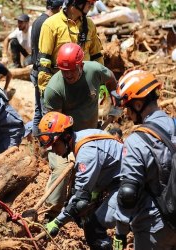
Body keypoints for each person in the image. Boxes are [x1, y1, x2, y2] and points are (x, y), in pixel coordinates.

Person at [43, 42, 120, 214]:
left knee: (102, 165)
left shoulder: (94, 70)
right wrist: (69, 149)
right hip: (63, 138)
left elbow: (112, 81)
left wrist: (115, 101)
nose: (68, 75)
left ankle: (90, 207)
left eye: (72, 70)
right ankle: (51, 212)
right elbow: (53, 125)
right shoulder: (54, 90)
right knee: (63, 170)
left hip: (91, 136)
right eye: (64, 71)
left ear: (81, 65)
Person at [36, 111, 123, 249]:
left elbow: (79, 200)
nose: (53, 150)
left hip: (128, 185)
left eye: (55, 144)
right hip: (117, 181)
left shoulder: (86, 153)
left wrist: (57, 222)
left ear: (66, 136)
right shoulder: (84, 136)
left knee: (93, 227)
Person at [111, 70, 176, 249]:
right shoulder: (174, 124)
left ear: (138, 105)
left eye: (128, 107)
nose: (127, 114)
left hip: (155, 226)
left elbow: (128, 193)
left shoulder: (136, 141)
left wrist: (120, 233)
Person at [37, 0, 104, 97]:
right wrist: (47, 90)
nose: (91, 5)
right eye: (88, 2)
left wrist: (101, 82)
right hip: (60, 89)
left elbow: (96, 56)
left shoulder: (89, 25)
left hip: (84, 89)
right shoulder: (50, 25)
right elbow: (44, 62)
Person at [30, 0, 64, 135]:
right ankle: (45, 142)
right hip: (42, 72)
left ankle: (38, 142)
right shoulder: (47, 23)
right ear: (59, 8)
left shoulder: (38, 21)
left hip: (37, 70)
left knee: (39, 110)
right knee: (46, 111)